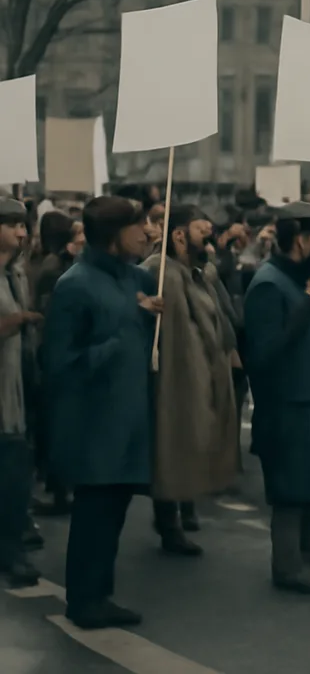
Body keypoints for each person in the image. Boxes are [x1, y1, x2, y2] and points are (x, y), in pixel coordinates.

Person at [45, 196, 162, 628]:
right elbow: (60, 363)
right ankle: (83, 600)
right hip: (94, 423)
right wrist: (124, 330)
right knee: (94, 515)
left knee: (114, 514)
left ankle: (101, 594)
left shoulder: (138, 277)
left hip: (130, 416)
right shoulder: (75, 285)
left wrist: (148, 318)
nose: (148, 233)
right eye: (140, 225)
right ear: (115, 234)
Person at [244, 201, 310, 594]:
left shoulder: (306, 279)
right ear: (300, 239)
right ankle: (287, 566)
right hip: (286, 402)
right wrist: (308, 304)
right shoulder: (269, 284)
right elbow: (265, 352)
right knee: (290, 487)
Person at [142, 205, 237, 555]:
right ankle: (169, 522)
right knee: (170, 444)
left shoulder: (202, 273)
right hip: (170, 374)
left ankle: (181, 510)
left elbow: (218, 317)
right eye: (201, 231)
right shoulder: (158, 271)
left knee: (190, 441)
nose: (209, 239)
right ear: (179, 235)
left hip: (201, 368)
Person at [0, 199, 43, 588]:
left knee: (14, 476)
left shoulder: (16, 272)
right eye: (12, 224)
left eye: (23, 225)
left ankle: (12, 547)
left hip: (16, 391)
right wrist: (15, 321)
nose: (22, 232)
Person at [31, 211, 83, 517]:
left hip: (54, 351)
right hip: (51, 353)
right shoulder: (54, 267)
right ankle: (59, 489)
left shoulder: (60, 263)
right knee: (55, 423)